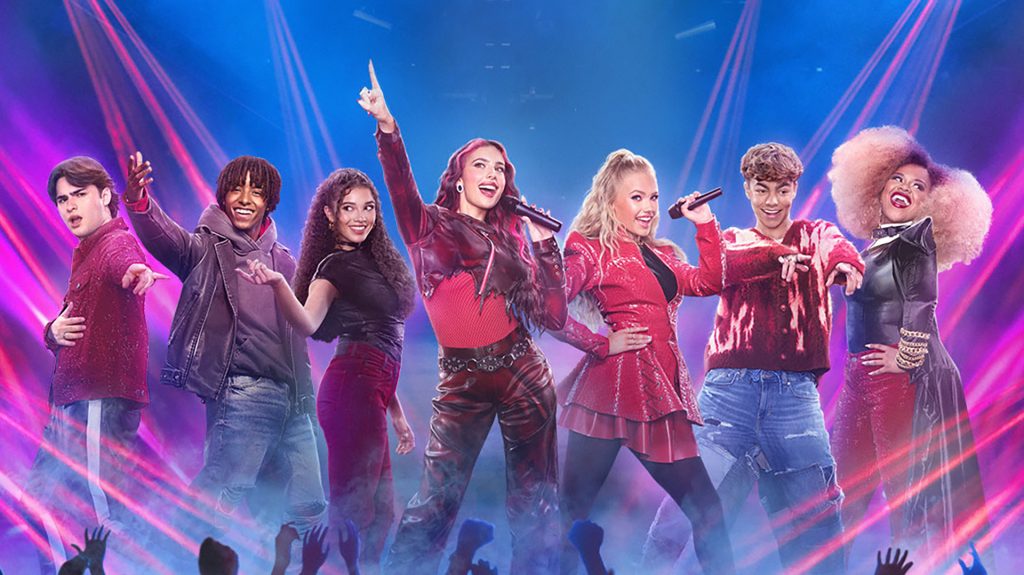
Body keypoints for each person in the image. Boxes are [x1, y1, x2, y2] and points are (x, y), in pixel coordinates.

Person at [358, 61, 568, 574]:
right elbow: (400, 185)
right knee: (435, 501)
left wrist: (545, 248)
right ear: (458, 178)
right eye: (481, 165)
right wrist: (387, 127)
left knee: (536, 501)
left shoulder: (514, 242)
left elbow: (555, 315)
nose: (493, 174)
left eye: (500, 168)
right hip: (462, 381)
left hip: (523, 373)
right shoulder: (429, 226)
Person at [643, 142, 864, 574]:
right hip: (729, 393)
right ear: (747, 189)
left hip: (795, 396)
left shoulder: (816, 234)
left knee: (818, 514)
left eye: (782, 190)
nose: (772, 201)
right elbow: (723, 268)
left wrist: (845, 267)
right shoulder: (731, 241)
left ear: (795, 188)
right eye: (762, 189)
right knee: (683, 507)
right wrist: (770, 252)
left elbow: (841, 250)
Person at [123, 151, 326, 539]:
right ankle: (170, 553)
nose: (245, 199)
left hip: (294, 400)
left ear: (269, 201)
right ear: (222, 196)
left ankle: (281, 562)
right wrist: (139, 201)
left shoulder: (284, 261)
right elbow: (166, 239)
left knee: (307, 504)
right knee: (220, 492)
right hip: (242, 390)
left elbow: (304, 329)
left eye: (256, 191)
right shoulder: (205, 248)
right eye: (236, 189)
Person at [553, 149, 734, 575]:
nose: (649, 207)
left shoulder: (664, 253)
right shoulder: (589, 249)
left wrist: (704, 223)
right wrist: (600, 344)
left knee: (707, 509)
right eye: (636, 197)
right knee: (571, 511)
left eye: (653, 197)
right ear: (609, 201)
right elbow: (549, 307)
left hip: (657, 396)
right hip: (607, 396)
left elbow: (711, 281)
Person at [239, 167, 417, 571]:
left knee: (381, 512)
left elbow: (383, 345)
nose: (361, 217)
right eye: (349, 208)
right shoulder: (333, 267)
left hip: (371, 389)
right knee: (356, 511)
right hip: (353, 390)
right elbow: (307, 322)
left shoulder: (371, 261)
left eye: (368, 208)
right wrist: (277, 284)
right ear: (330, 213)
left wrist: (396, 413)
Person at [828, 126, 992, 563]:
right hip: (858, 378)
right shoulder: (877, 246)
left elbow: (922, 303)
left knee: (906, 494)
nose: (906, 188)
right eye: (898, 179)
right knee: (841, 491)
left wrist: (906, 357)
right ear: (877, 185)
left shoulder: (916, 245)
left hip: (893, 382)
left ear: (930, 205)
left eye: (919, 187)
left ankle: (929, 567)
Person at [27, 157, 163, 575]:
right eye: (62, 199)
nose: (70, 206)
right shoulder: (84, 255)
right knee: (38, 504)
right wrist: (51, 332)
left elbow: (127, 265)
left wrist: (138, 272)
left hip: (97, 402)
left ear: (104, 195)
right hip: (68, 406)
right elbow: (73, 326)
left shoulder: (115, 244)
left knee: (104, 514)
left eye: (79, 195)